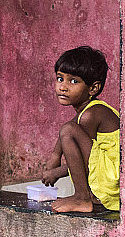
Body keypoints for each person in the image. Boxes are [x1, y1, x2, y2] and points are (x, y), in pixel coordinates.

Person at [41, 46, 120, 213]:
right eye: (60, 78)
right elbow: (72, 126)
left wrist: (55, 173)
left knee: (68, 130)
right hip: (109, 173)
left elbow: (77, 152)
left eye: (74, 81)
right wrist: (55, 155)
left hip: (112, 178)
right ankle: (87, 196)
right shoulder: (89, 111)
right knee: (69, 128)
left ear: (93, 88)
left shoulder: (91, 115)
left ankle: (82, 198)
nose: (63, 87)